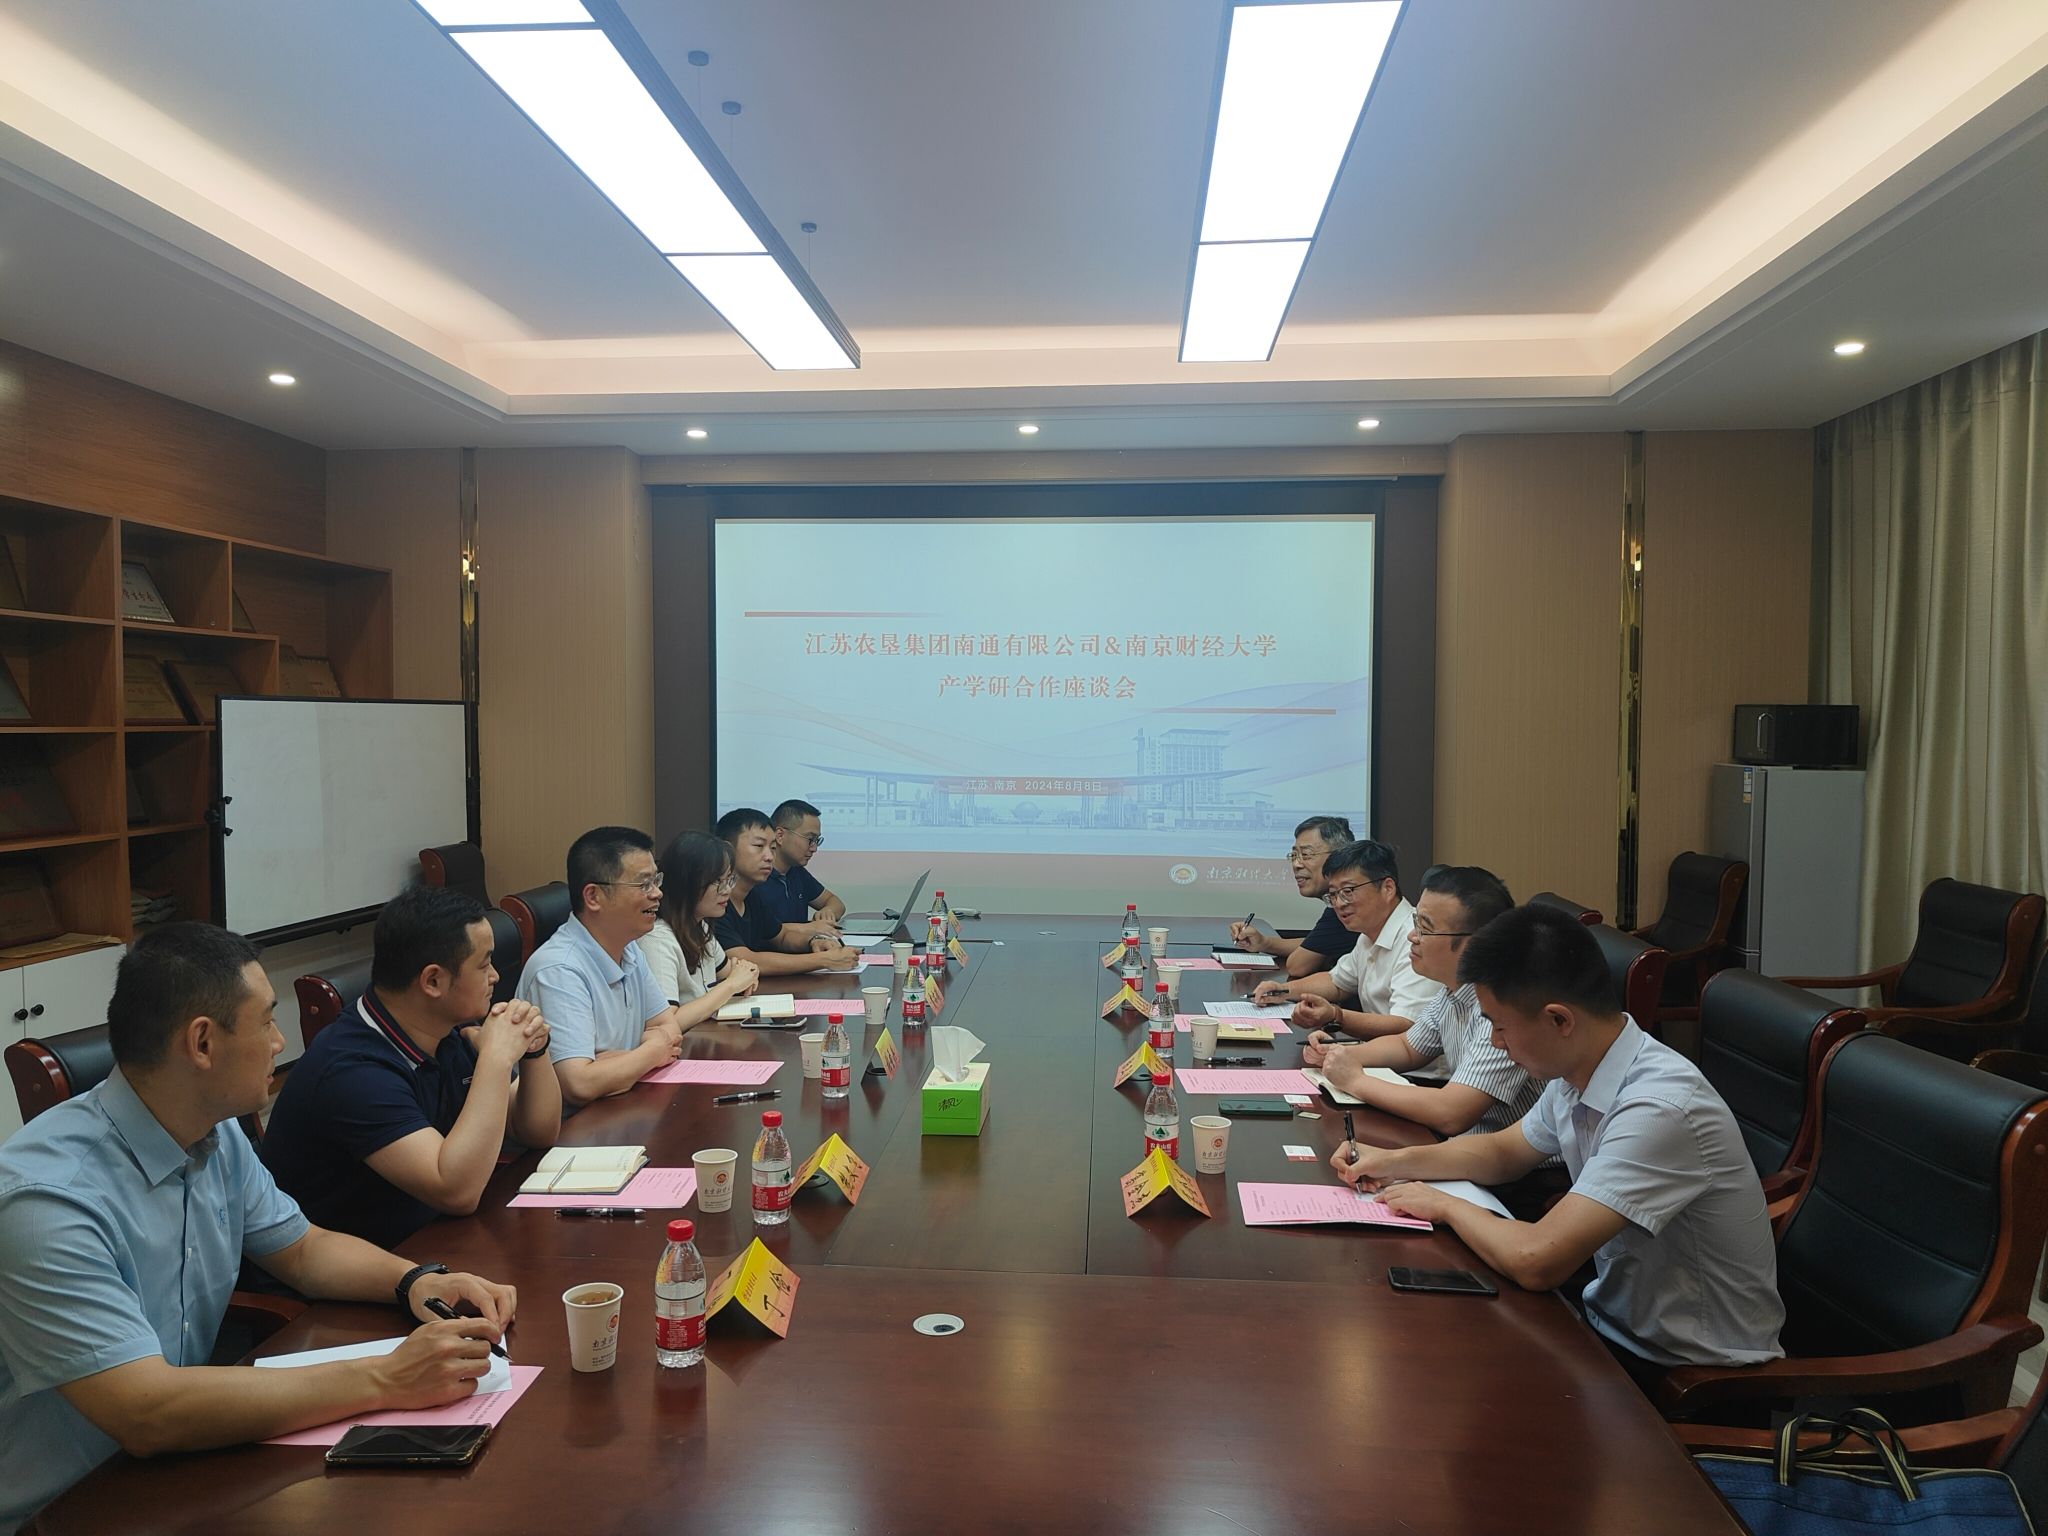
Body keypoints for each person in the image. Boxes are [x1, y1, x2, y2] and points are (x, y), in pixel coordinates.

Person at [0, 924, 514, 1534]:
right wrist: (387, 1378)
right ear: (202, 1043)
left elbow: (302, 1250)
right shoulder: (47, 1202)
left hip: (183, 1471)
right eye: (267, 1021)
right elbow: (145, 1411)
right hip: (64, 1509)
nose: (279, 1042)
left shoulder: (212, 1131)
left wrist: (415, 1281)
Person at [1329, 904, 1784, 1376]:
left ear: (1559, 1020)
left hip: (1685, 1370)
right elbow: (1502, 1153)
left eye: (1499, 1026)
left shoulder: (1659, 1108)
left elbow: (1536, 1260)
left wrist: (1444, 1205)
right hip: (1608, 1323)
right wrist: (1392, 1161)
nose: (1496, 1042)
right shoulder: (1583, 1067)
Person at [261, 883, 563, 1247]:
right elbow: (457, 1192)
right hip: (364, 1265)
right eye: (484, 964)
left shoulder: (446, 1031)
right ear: (433, 981)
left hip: (436, 1241)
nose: (495, 976)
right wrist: (495, 1060)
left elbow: (538, 1131)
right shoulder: (352, 1070)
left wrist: (533, 1050)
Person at [1305, 865, 1539, 1138]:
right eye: (1415, 922)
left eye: (1425, 929)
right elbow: (1407, 1047)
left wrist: (1356, 1080)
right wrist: (1339, 1055)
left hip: (1508, 1159)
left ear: (1475, 943)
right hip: (1470, 1146)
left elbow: (1451, 1113)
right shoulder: (1453, 989)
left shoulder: (1505, 1009)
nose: (1412, 936)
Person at [515, 826, 691, 1107]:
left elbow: (668, 1028)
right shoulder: (558, 969)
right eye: (643, 884)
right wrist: (652, 1051)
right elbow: (579, 1084)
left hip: (621, 1108)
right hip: (574, 1127)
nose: (657, 893)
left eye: (656, 881)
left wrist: (619, 1064)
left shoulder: (628, 948)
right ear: (593, 897)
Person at [1253, 839, 1444, 1048]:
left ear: (1388, 888)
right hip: (1377, 1053)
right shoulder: (1369, 933)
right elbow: (1337, 982)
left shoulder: (1415, 939)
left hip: (1410, 1064)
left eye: (1348, 891)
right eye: (1333, 894)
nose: (1339, 903)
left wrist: (1336, 1016)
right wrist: (1282, 990)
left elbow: (1406, 1025)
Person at [713, 807, 858, 977]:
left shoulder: (750, 897)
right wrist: (824, 960)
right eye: (759, 846)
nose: (769, 856)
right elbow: (743, 961)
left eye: (773, 848)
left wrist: (814, 942)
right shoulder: (714, 901)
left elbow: (782, 936)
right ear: (728, 850)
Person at [637, 830, 763, 1022]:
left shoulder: (700, 926)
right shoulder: (658, 940)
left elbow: (731, 971)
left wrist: (746, 972)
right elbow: (667, 1022)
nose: (727, 890)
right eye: (718, 882)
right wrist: (731, 985)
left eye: (729, 880)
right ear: (686, 883)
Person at [1226, 815, 1354, 977]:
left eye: (1306, 855)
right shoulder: (1340, 899)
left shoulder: (1347, 904)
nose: (1296, 864)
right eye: (1293, 856)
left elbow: (1297, 965)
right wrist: (1264, 943)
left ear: (1338, 858)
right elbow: (1314, 945)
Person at [759, 798, 848, 948]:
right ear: (780, 835)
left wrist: (827, 912)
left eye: (817, 841)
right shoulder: (756, 877)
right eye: (810, 839)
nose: (814, 848)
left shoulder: (796, 872)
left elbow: (835, 902)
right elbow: (761, 929)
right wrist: (809, 928)